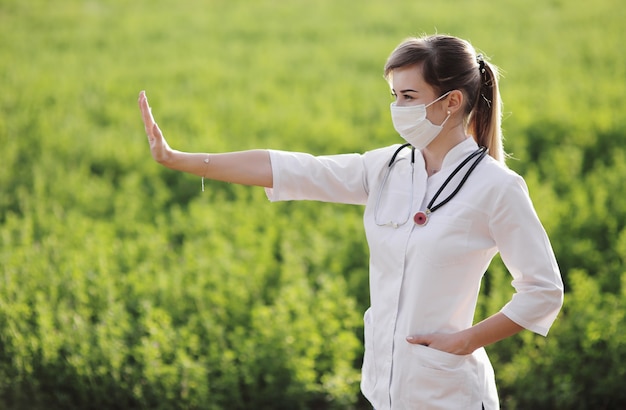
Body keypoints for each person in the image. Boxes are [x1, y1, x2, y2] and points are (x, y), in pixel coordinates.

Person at [138, 34, 563, 410]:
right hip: (385, 389)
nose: (397, 108)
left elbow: (543, 290)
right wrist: (179, 159)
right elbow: (293, 169)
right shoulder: (389, 168)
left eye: (409, 97)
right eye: (394, 95)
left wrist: (465, 341)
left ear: (451, 101)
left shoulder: (496, 187)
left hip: (448, 394)